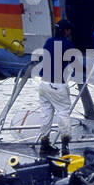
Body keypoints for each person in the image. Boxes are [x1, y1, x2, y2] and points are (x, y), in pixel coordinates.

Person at [36, 19, 76, 157]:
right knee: (63, 112)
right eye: (69, 30)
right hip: (58, 85)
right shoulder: (68, 45)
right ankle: (65, 146)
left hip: (43, 84)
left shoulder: (48, 42)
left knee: (46, 113)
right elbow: (74, 61)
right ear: (66, 31)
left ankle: (44, 144)